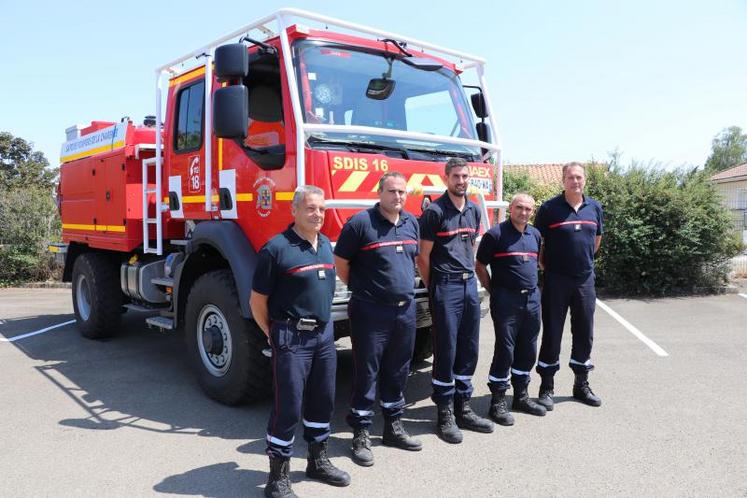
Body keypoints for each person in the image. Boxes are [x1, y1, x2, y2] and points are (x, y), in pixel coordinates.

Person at [250, 185, 350, 498]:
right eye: (310, 208)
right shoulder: (276, 249)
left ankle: (317, 461)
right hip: (291, 336)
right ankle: (277, 478)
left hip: (323, 335)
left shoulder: (324, 246)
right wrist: (274, 333)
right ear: (294, 210)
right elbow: (257, 301)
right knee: (288, 406)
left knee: (324, 400)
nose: (317, 214)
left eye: (321, 209)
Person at [334, 171, 423, 467]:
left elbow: (413, 261)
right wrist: (365, 291)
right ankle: (360, 432)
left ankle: (392, 427)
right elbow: (341, 265)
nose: (397, 196)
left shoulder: (412, 223)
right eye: (391, 191)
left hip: (404, 310)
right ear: (380, 192)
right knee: (367, 372)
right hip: (370, 311)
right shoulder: (360, 223)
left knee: (398, 370)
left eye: (402, 192)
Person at [417, 157, 495, 444]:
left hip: (468, 287)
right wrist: (434, 286)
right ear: (446, 177)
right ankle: (445, 413)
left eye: (465, 176)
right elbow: (422, 257)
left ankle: (464, 407)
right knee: (446, 349)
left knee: (469, 347)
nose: (461, 181)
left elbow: (470, 247)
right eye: (456, 176)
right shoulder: (435, 212)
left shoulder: (473, 210)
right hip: (445, 287)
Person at [534, 162, 604, 410]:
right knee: (552, 332)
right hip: (556, 280)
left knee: (585, 332)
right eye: (571, 177)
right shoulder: (549, 209)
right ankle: (546, 386)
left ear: (584, 180)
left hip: (585, 280)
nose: (575, 181)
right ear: (563, 180)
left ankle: (581, 384)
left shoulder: (594, 207)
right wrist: (546, 267)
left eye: (579, 177)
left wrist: (581, 262)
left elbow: (596, 241)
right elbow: (537, 243)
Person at [476, 193, 547, 426]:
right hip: (506, 300)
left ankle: (521, 397)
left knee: (528, 349)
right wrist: (493, 290)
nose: (523, 212)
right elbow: (479, 265)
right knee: (505, 349)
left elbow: (539, 263)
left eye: (528, 209)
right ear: (511, 208)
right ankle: (497, 402)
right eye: (519, 207)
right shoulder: (495, 235)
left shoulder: (535, 234)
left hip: (532, 300)